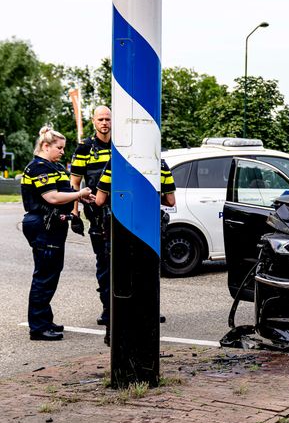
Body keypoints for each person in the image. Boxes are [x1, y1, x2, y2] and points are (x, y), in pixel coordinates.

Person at [21, 126, 94, 340]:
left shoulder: (55, 166)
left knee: (51, 273)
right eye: (59, 147)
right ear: (45, 146)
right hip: (42, 224)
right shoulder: (38, 168)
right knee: (44, 276)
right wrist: (79, 193)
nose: (63, 151)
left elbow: (65, 191)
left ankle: (45, 319)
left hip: (52, 226)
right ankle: (38, 328)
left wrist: (79, 196)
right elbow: (52, 197)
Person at [95, 158, 175, 345]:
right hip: (147, 229)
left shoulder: (115, 163)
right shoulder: (159, 164)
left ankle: (113, 332)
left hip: (119, 228)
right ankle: (146, 332)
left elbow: (99, 200)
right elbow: (170, 201)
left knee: (118, 281)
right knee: (146, 277)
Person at [70, 106, 112, 327]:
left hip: (124, 212)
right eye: (100, 119)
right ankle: (107, 308)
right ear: (93, 122)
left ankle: (139, 306)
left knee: (134, 261)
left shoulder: (121, 145)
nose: (104, 123)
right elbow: (75, 183)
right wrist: (75, 213)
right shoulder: (85, 148)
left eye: (107, 119)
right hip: (97, 215)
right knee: (104, 263)